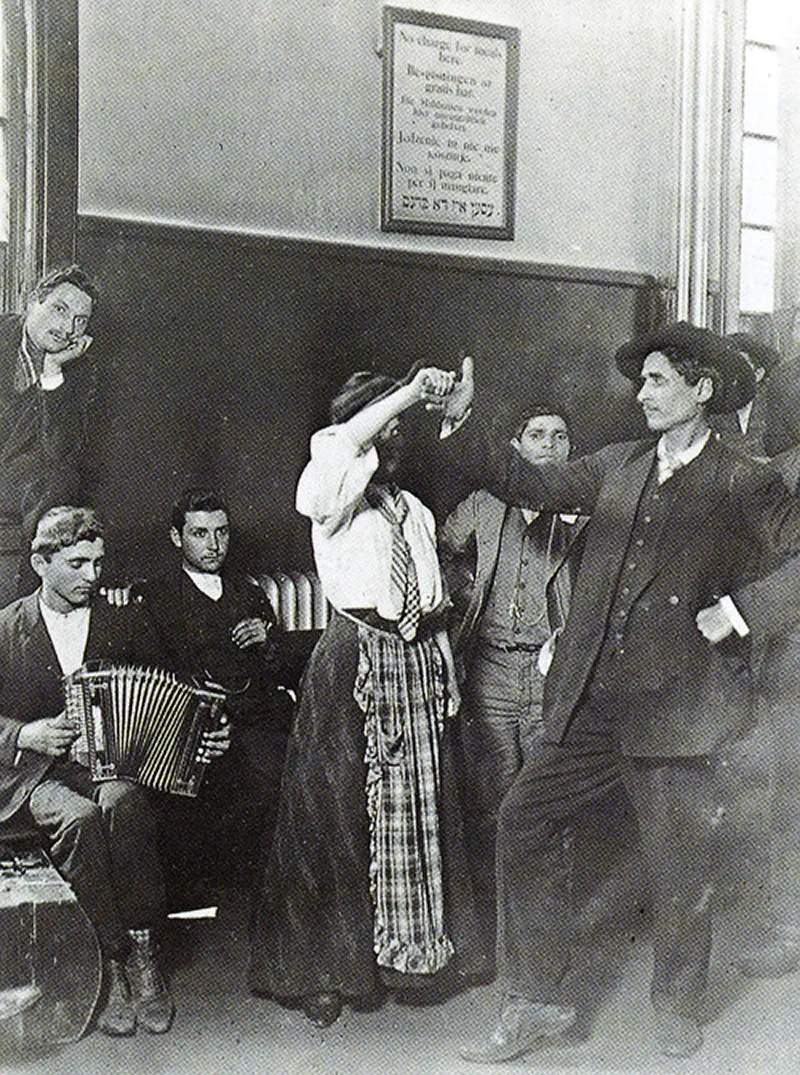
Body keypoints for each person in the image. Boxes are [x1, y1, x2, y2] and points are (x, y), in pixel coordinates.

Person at [460, 321, 800, 1064]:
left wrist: (743, 611)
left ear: (703, 389)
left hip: (681, 708)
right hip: (592, 699)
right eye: (641, 380)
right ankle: (536, 998)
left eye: (656, 380)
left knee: (680, 860)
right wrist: (465, 422)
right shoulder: (618, 465)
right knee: (522, 816)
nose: (641, 393)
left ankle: (677, 1003)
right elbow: (529, 482)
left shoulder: (745, 479)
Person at [249, 359, 485, 1028]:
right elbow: (342, 447)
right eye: (382, 429)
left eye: (399, 433)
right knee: (336, 810)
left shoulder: (412, 508)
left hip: (414, 658)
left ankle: (408, 959)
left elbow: (432, 599)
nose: (391, 444)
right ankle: (326, 969)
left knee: (423, 808)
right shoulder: (330, 490)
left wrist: (442, 670)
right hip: (352, 655)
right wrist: (407, 392)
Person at [0, 506, 229, 1038]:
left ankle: (144, 957)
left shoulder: (123, 621)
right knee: (78, 821)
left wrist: (203, 734)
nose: (92, 577)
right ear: (40, 562)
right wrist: (22, 734)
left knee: (124, 805)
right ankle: (110, 961)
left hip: (108, 766)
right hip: (32, 777)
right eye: (77, 564)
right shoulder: (7, 628)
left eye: (98, 563)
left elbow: (174, 697)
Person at [439, 408, 587, 949]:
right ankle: (496, 939)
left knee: (549, 804)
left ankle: (549, 938)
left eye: (560, 437)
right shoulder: (483, 504)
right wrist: (465, 590)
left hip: (553, 675)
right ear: (516, 446)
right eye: (537, 436)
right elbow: (443, 551)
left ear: (571, 450)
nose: (549, 445)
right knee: (491, 802)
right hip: (491, 670)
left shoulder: (584, 514)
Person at [135, 489, 293, 902]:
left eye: (221, 532)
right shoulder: (155, 597)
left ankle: (256, 898)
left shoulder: (249, 593)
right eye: (200, 534)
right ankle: (200, 900)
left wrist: (269, 638)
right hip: (189, 726)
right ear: (177, 538)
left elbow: (276, 675)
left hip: (250, 720)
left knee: (273, 776)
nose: (213, 545)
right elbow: (152, 677)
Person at [0, 266, 98, 536]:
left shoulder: (80, 370)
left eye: (81, 320)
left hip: (11, 482)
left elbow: (62, 452)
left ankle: (36, 576)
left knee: (63, 480)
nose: (68, 328)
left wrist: (53, 371)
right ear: (33, 301)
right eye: (60, 310)